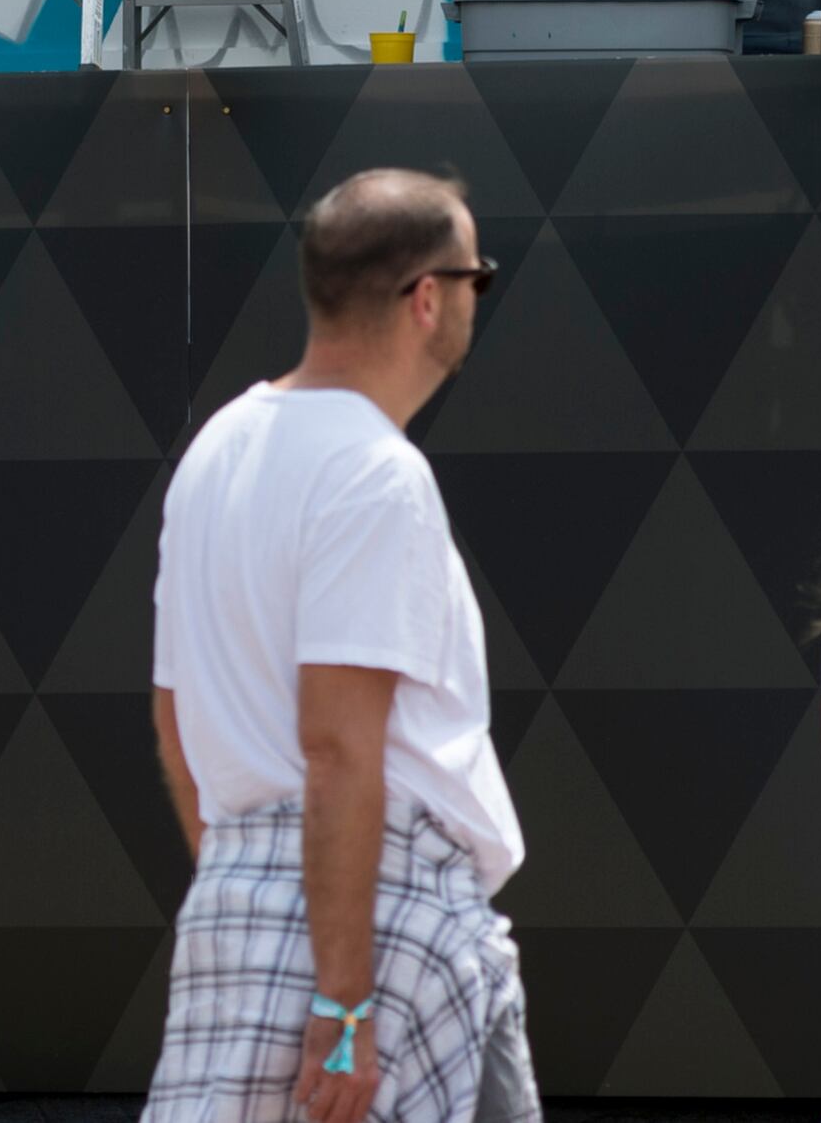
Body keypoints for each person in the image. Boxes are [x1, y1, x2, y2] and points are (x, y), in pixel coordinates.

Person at [147, 168, 533, 1123]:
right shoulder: (375, 471)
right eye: (477, 277)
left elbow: (175, 719)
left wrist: (251, 881)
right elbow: (339, 743)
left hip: (241, 905)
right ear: (428, 297)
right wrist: (343, 996)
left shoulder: (216, 449)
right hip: (379, 921)